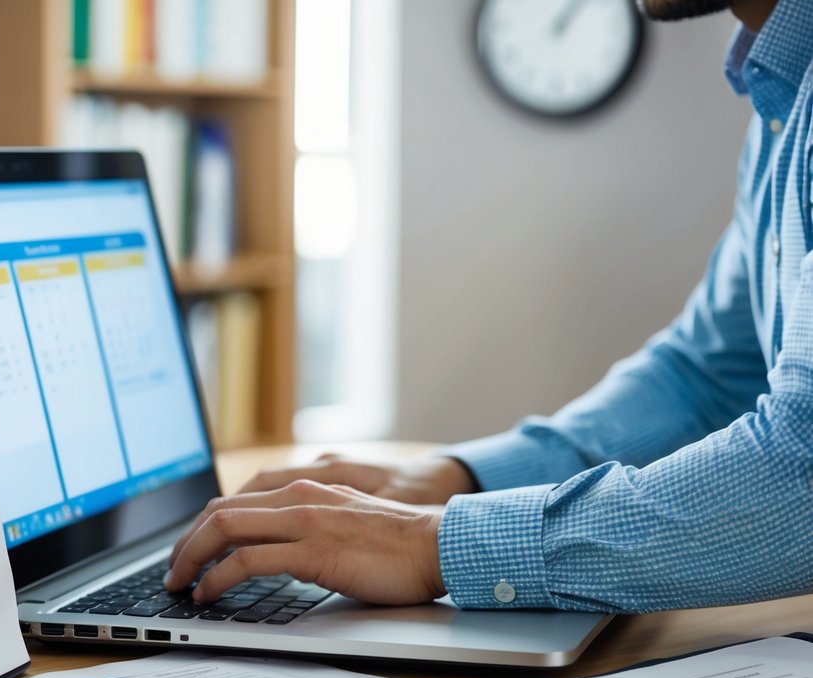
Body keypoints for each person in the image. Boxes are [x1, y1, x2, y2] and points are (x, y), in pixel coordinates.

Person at [164, 0, 813, 615]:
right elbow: (704, 378)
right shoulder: (782, 93)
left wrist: (428, 544)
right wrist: (453, 479)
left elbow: (802, 466)